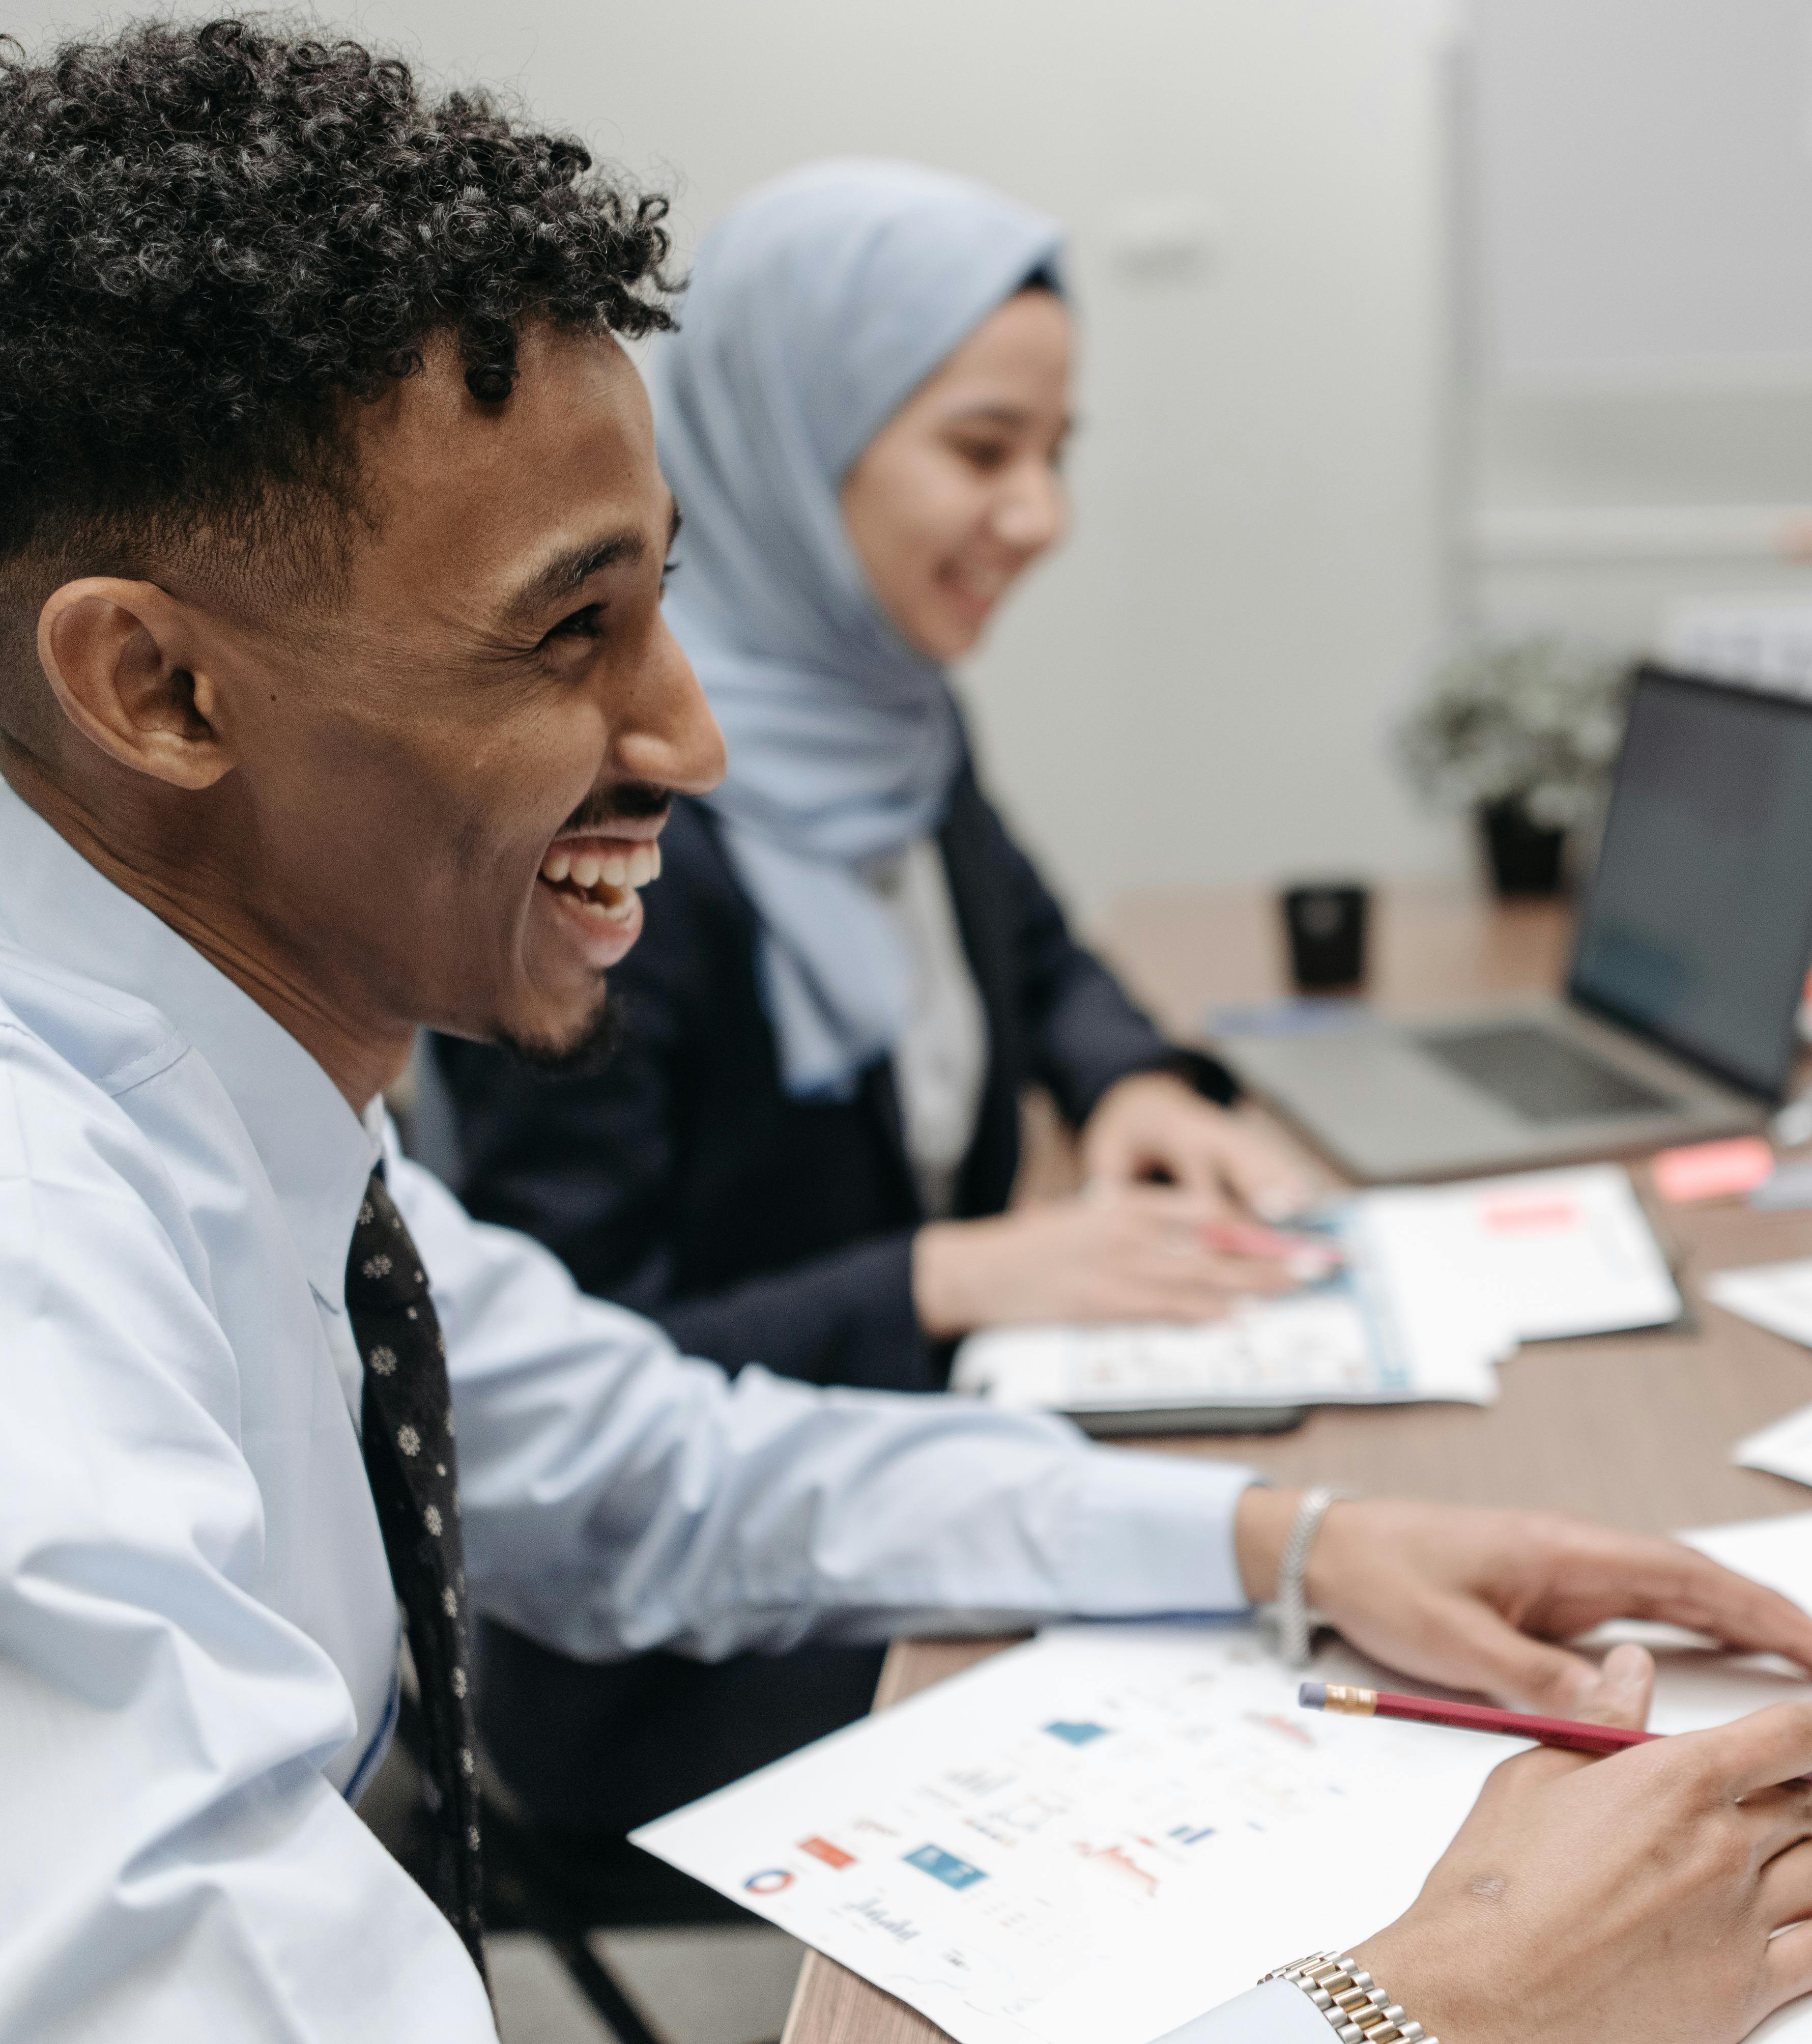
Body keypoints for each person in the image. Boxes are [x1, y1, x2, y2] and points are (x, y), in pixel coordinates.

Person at [0, 22, 1812, 2044]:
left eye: (667, 597)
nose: (695, 733)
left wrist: (1293, 1537)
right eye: (570, 630)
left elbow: (663, 1468)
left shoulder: (222, 1109)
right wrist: (1441, 2008)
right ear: (160, 692)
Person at [426, 159, 1339, 1852]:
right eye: (981, 449)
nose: (1039, 515)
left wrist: (1132, 1086)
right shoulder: (603, 836)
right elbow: (572, 1373)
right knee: (1249, 1699)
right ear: (801, 427)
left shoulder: (886, 712)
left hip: (903, 1459)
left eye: (1056, 455)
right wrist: (947, 1274)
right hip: (664, 1627)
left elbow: (1038, 943)